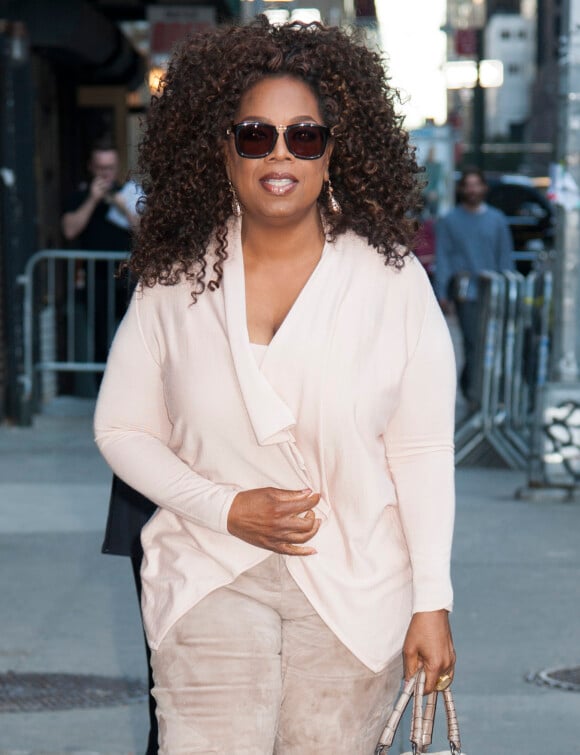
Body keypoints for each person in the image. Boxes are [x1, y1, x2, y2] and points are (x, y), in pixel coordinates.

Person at [94, 18, 457, 754]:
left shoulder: (391, 281)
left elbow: (419, 450)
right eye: (256, 135)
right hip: (207, 571)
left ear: (333, 152)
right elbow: (122, 429)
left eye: (305, 136)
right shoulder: (176, 278)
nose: (280, 155)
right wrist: (226, 508)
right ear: (222, 149)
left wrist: (433, 600)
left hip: (356, 586)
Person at [435, 166, 514, 404]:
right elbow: (444, 257)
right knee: (472, 341)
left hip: (494, 291)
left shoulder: (497, 220)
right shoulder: (449, 221)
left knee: (492, 343)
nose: (472, 189)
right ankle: (474, 393)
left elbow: (505, 256)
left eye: (476, 184)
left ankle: (483, 389)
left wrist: (508, 288)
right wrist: (442, 292)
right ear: (462, 189)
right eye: (467, 185)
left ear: (484, 188)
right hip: (465, 292)